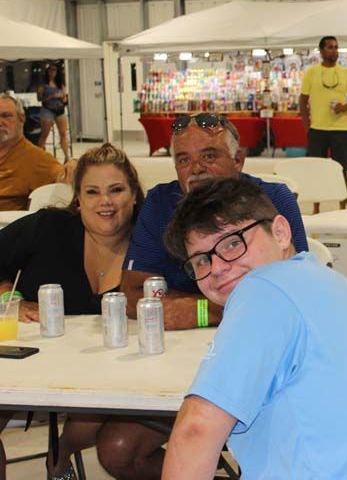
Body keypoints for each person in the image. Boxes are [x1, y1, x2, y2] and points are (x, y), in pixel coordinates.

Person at [160, 177, 347, 479]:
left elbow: (196, 429)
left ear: (281, 232)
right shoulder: (327, 278)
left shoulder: (262, 289)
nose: (217, 268)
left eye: (233, 243)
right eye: (201, 260)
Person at [95, 113, 307, 480]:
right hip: (178, 368)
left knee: (277, 450)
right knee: (117, 449)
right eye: (183, 159)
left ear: (238, 160)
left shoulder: (273, 200)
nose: (196, 169)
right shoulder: (161, 203)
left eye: (209, 155)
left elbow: (297, 292)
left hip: (266, 370)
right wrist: (229, 307)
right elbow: (132, 294)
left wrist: (198, 310)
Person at [0, 143, 144, 480]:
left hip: (116, 371)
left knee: (93, 419)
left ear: (135, 195)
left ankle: (61, 453)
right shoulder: (48, 227)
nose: (105, 201)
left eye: (116, 190)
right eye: (92, 192)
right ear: (78, 198)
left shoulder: (151, 241)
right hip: (29, 364)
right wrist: (10, 297)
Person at [299, 36, 347, 212]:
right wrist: (307, 127)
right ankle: (316, 207)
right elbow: (303, 102)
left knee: (341, 169)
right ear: (321, 51)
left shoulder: (345, 73)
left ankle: (342, 207)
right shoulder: (312, 73)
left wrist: (344, 107)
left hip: (340, 130)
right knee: (316, 170)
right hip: (317, 130)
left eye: (336, 47)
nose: (334, 50)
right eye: (330, 47)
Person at [0, 92, 74, 211]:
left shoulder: (36, 159)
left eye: (6, 116)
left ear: (21, 119)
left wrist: (73, 166)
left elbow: (65, 177)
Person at [37, 62, 71, 162]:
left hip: (60, 110)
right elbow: (39, 99)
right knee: (45, 134)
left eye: (54, 70)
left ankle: (67, 157)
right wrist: (52, 96)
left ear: (57, 72)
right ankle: (39, 157)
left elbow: (65, 100)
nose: (52, 72)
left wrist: (62, 96)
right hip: (47, 110)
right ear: (47, 71)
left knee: (63, 133)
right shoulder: (43, 85)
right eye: (50, 69)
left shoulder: (60, 84)